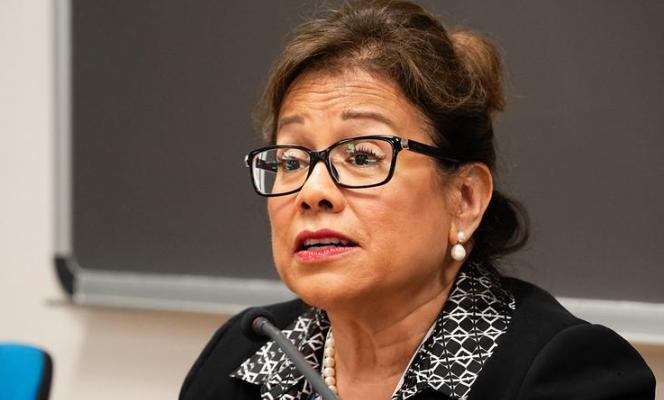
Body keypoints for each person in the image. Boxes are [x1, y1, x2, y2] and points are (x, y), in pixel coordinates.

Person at [179, 1, 656, 399]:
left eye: (362, 155)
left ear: (465, 199)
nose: (312, 191)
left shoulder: (565, 375)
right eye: (290, 161)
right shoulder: (246, 354)